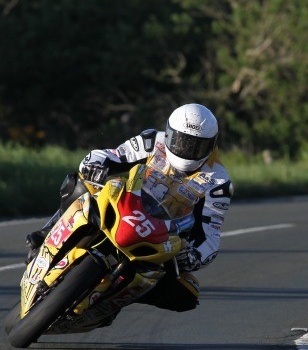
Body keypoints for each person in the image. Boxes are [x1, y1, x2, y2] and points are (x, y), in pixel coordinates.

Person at [26, 103, 233, 313]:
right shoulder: (153, 141)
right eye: (181, 141)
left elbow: (210, 234)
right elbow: (111, 154)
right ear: (169, 134)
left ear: (211, 146)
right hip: (125, 202)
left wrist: (195, 256)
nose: (186, 150)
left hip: (163, 235)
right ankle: (46, 234)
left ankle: (113, 300)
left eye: (195, 146)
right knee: (79, 184)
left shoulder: (219, 183)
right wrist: (94, 165)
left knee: (187, 294)